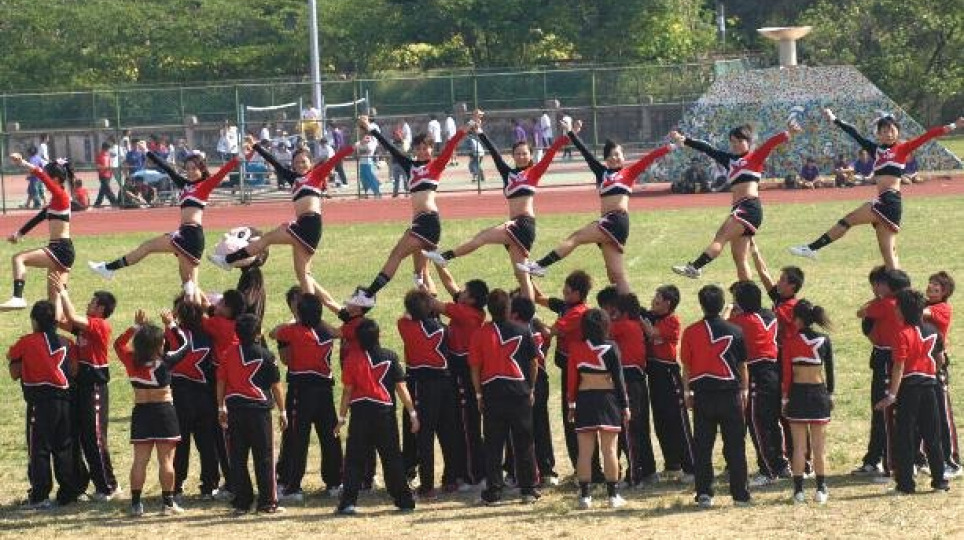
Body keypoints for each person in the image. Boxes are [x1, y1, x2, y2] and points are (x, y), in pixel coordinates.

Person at [519, 120, 677, 294]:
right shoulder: (601, 173)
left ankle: (540, 265)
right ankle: (632, 308)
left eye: (618, 154)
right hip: (609, 222)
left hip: (616, 220)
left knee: (576, 237)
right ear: (606, 159)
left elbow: (649, 158)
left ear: (623, 157)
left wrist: (669, 147)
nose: (615, 158)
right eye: (611, 155)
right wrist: (570, 132)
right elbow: (585, 152)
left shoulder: (629, 172)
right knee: (616, 276)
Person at [789, 111, 963, 268]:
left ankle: (812, 248)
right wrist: (834, 119)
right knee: (890, 259)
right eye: (885, 131)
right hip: (888, 203)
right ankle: (903, 290)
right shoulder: (876, 150)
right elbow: (854, 133)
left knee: (848, 220)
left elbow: (929, 135)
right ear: (878, 134)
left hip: (889, 200)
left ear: (898, 132)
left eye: (892, 130)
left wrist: (954, 125)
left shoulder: (903, 148)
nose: (889, 134)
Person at [424, 110, 569, 299]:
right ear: (513, 156)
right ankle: (529, 314)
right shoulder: (508, 174)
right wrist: (480, 132)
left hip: (524, 224)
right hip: (516, 225)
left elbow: (550, 154)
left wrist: (564, 136)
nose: (521, 156)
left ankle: (446, 256)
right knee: (522, 275)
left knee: (483, 237)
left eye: (525, 153)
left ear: (530, 155)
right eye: (518, 154)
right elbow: (494, 153)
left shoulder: (534, 172)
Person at [89, 147, 251, 301]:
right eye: (187, 168)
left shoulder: (205, 184)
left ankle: (109, 268)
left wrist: (238, 157)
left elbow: (222, 173)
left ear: (202, 169)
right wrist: (148, 153)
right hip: (187, 234)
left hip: (191, 234)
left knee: (147, 247)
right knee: (190, 285)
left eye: (194, 168)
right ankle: (208, 312)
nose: (190, 171)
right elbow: (167, 168)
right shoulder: (185, 185)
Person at [347, 115, 467, 308]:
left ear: (432, 149)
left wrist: (467, 127)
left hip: (428, 221)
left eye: (426, 148)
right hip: (420, 222)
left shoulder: (436, 165)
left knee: (396, 255)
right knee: (422, 272)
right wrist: (370, 128)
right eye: (418, 148)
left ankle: (369, 294)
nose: (422, 151)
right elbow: (389, 146)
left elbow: (451, 144)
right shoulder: (410, 166)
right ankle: (448, 302)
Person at [211, 137, 354, 297]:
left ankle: (228, 260)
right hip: (304, 225)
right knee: (303, 275)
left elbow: (335, 159)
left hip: (310, 223)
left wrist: (355, 145)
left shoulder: (317, 175)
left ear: (311, 163)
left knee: (267, 238)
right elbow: (273, 161)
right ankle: (324, 308)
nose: (300, 165)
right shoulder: (293, 179)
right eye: (297, 162)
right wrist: (256, 146)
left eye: (304, 162)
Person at [670, 119, 801, 280]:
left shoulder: (755, 157)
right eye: (733, 141)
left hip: (748, 207)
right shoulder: (729, 160)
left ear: (748, 142)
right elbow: (707, 148)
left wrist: (789, 133)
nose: (736, 144)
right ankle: (747, 292)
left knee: (721, 237)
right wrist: (684, 139)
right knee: (740, 259)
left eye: (740, 141)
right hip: (741, 208)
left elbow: (770, 143)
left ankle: (695, 267)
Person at [114, 308, 191, 516]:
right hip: (164, 412)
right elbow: (186, 345)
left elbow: (118, 344)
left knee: (140, 460)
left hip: (141, 412)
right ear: (158, 345)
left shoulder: (130, 359)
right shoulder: (165, 362)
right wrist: (171, 324)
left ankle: (136, 505)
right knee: (166, 460)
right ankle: (168, 504)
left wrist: (136, 327)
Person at [336, 319, 418, 515]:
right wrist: (413, 413)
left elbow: (347, 392)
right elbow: (401, 388)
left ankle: (348, 502)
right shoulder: (390, 357)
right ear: (378, 336)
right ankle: (404, 501)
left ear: (358, 339)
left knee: (355, 460)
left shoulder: (351, 359)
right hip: (385, 414)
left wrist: (341, 418)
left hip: (360, 414)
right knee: (392, 458)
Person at [8, 299, 84, 509]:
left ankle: (40, 495)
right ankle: (68, 494)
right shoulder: (67, 342)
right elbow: (74, 369)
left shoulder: (27, 342)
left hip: (40, 401)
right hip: (65, 401)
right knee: (64, 446)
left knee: (39, 449)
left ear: (34, 321)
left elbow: (14, 370)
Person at [681, 284, 750, 508]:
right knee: (735, 446)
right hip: (730, 394)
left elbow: (687, 367)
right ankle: (740, 495)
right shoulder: (736, 331)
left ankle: (704, 493)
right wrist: (745, 390)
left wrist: (687, 391)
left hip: (703, 395)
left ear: (701, 305)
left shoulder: (691, 332)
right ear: (722, 305)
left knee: (702, 447)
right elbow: (742, 365)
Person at [469, 289, 541, 504]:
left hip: (492, 394)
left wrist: (479, 394)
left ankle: (494, 491)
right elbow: (534, 362)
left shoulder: (480, 334)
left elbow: (475, 367)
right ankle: (528, 489)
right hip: (519, 392)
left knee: (493, 444)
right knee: (524, 441)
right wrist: (531, 388)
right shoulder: (523, 330)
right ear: (509, 308)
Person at [50, 280, 120, 500]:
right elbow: (59, 320)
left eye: (92, 302)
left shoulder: (99, 325)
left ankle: (108, 487)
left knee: (95, 438)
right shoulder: (85, 327)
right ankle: (100, 484)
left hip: (95, 387)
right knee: (84, 438)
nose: (88, 304)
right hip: (82, 387)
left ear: (100, 308)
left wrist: (64, 292)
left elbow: (71, 316)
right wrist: (58, 295)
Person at [875, 289, 950, 494]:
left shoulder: (902, 334)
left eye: (897, 307)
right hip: (930, 387)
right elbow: (941, 359)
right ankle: (939, 481)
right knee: (932, 435)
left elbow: (899, 366)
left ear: (903, 310)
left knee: (905, 436)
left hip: (909, 388)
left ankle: (906, 484)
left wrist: (891, 395)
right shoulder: (933, 331)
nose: (895, 310)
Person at [270, 293, 342, 501]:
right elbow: (336, 332)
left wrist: (294, 321)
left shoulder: (293, 331)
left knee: (297, 438)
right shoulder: (327, 332)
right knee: (329, 436)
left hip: (301, 390)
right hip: (325, 390)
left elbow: (273, 333)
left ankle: (293, 486)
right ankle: (335, 482)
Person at [216, 314, 286, 515]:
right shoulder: (266, 355)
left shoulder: (228, 354)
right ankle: (267, 502)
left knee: (237, 457)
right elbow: (276, 386)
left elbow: (221, 382)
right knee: (264, 457)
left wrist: (221, 407)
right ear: (257, 334)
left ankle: (242, 501)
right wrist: (283, 411)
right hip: (259, 413)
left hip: (235, 411)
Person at [396, 289, 459, 499]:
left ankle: (427, 485)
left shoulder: (405, 326)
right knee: (448, 432)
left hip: (422, 384)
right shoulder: (443, 329)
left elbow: (404, 317)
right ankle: (450, 480)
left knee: (424, 435)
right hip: (445, 382)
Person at [567, 308, 630, 509]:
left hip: (584, 400)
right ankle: (613, 496)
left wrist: (571, 404)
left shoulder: (575, 347)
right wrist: (625, 405)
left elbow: (572, 379)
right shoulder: (612, 347)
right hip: (607, 400)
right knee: (609, 450)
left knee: (585, 452)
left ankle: (585, 496)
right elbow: (619, 379)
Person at [727, 281, 788, 486]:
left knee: (757, 423)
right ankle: (781, 463)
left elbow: (722, 327)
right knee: (772, 421)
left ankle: (767, 470)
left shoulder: (743, 320)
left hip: (756, 374)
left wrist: (728, 310)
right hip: (773, 371)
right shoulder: (770, 315)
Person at [853, 267, 910, 478]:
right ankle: (876, 458)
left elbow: (861, 312)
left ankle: (888, 463)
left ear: (886, 285)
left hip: (887, 360)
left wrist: (875, 299)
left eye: (877, 284)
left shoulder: (886, 303)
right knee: (886, 413)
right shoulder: (903, 302)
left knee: (883, 411)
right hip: (892, 358)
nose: (875, 288)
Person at [164, 297, 222, 500]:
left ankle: (177, 486)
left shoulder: (172, 335)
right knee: (207, 443)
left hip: (179, 395)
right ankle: (209, 485)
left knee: (181, 443)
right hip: (204, 394)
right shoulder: (208, 335)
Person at [3, 154, 75, 310]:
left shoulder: (61, 196)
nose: (45, 182)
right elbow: (38, 218)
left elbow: (41, 175)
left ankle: (18, 298)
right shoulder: (56, 200)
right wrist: (19, 234)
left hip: (60, 249)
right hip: (63, 250)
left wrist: (23, 162)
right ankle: (61, 324)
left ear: (55, 179)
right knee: (54, 300)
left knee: (19, 258)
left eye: (49, 177)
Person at [600, 290, 657, 487]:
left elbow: (601, 333)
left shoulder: (621, 326)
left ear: (621, 311)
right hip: (639, 380)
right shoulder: (636, 325)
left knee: (628, 429)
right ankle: (647, 470)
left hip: (628, 382)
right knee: (639, 428)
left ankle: (634, 476)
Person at [781, 300, 834, 503]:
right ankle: (821, 488)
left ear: (798, 319)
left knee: (799, 447)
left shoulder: (790, 341)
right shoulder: (824, 340)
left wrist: (785, 398)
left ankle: (798, 491)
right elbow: (830, 371)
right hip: (819, 394)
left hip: (797, 395)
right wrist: (831, 394)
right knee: (819, 447)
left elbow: (787, 374)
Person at [642, 285, 695, 481]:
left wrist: (641, 318)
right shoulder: (652, 316)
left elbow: (652, 333)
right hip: (654, 375)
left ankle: (692, 467)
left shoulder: (672, 320)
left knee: (678, 422)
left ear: (667, 303)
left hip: (669, 374)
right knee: (661, 421)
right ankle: (672, 465)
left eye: (657, 298)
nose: (653, 301)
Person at [924, 271, 960, 476]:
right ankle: (929, 458)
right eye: (930, 283)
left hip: (938, 364)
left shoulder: (942, 308)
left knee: (942, 413)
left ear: (945, 291)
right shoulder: (925, 305)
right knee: (927, 412)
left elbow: (921, 313)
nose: (930, 287)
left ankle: (951, 461)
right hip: (922, 363)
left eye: (936, 285)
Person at [357, 132, 382, 198]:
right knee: (363, 179)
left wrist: (365, 143)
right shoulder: (359, 143)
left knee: (371, 178)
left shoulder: (371, 142)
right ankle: (366, 193)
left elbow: (369, 151)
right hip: (362, 163)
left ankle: (377, 192)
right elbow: (358, 153)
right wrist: (361, 145)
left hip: (368, 163)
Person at [94, 142, 119, 207]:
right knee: (107, 189)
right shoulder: (99, 155)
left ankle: (97, 203)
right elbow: (98, 165)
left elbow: (111, 161)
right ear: (105, 148)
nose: (108, 150)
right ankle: (114, 201)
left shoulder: (108, 155)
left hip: (108, 174)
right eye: (108, 148)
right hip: (103, 175)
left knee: (103, 189)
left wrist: (110, 169)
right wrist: (105, 167)